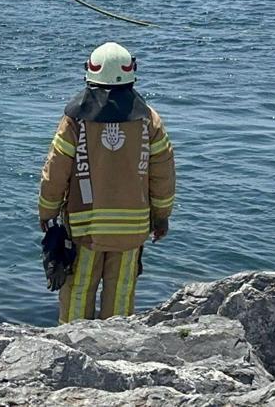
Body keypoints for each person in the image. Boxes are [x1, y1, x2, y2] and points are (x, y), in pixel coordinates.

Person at [38, 42, 176, 323]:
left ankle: (73, 352)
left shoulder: (75, 121)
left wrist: (47, 213)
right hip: (131, 231)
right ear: (131, 74)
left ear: (89, 75)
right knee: (121, 300)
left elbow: (55, 171)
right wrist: (161, 216)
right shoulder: (149, 120)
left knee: (78, 296)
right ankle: (115, 356)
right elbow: (163, 173)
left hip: (86, 229)